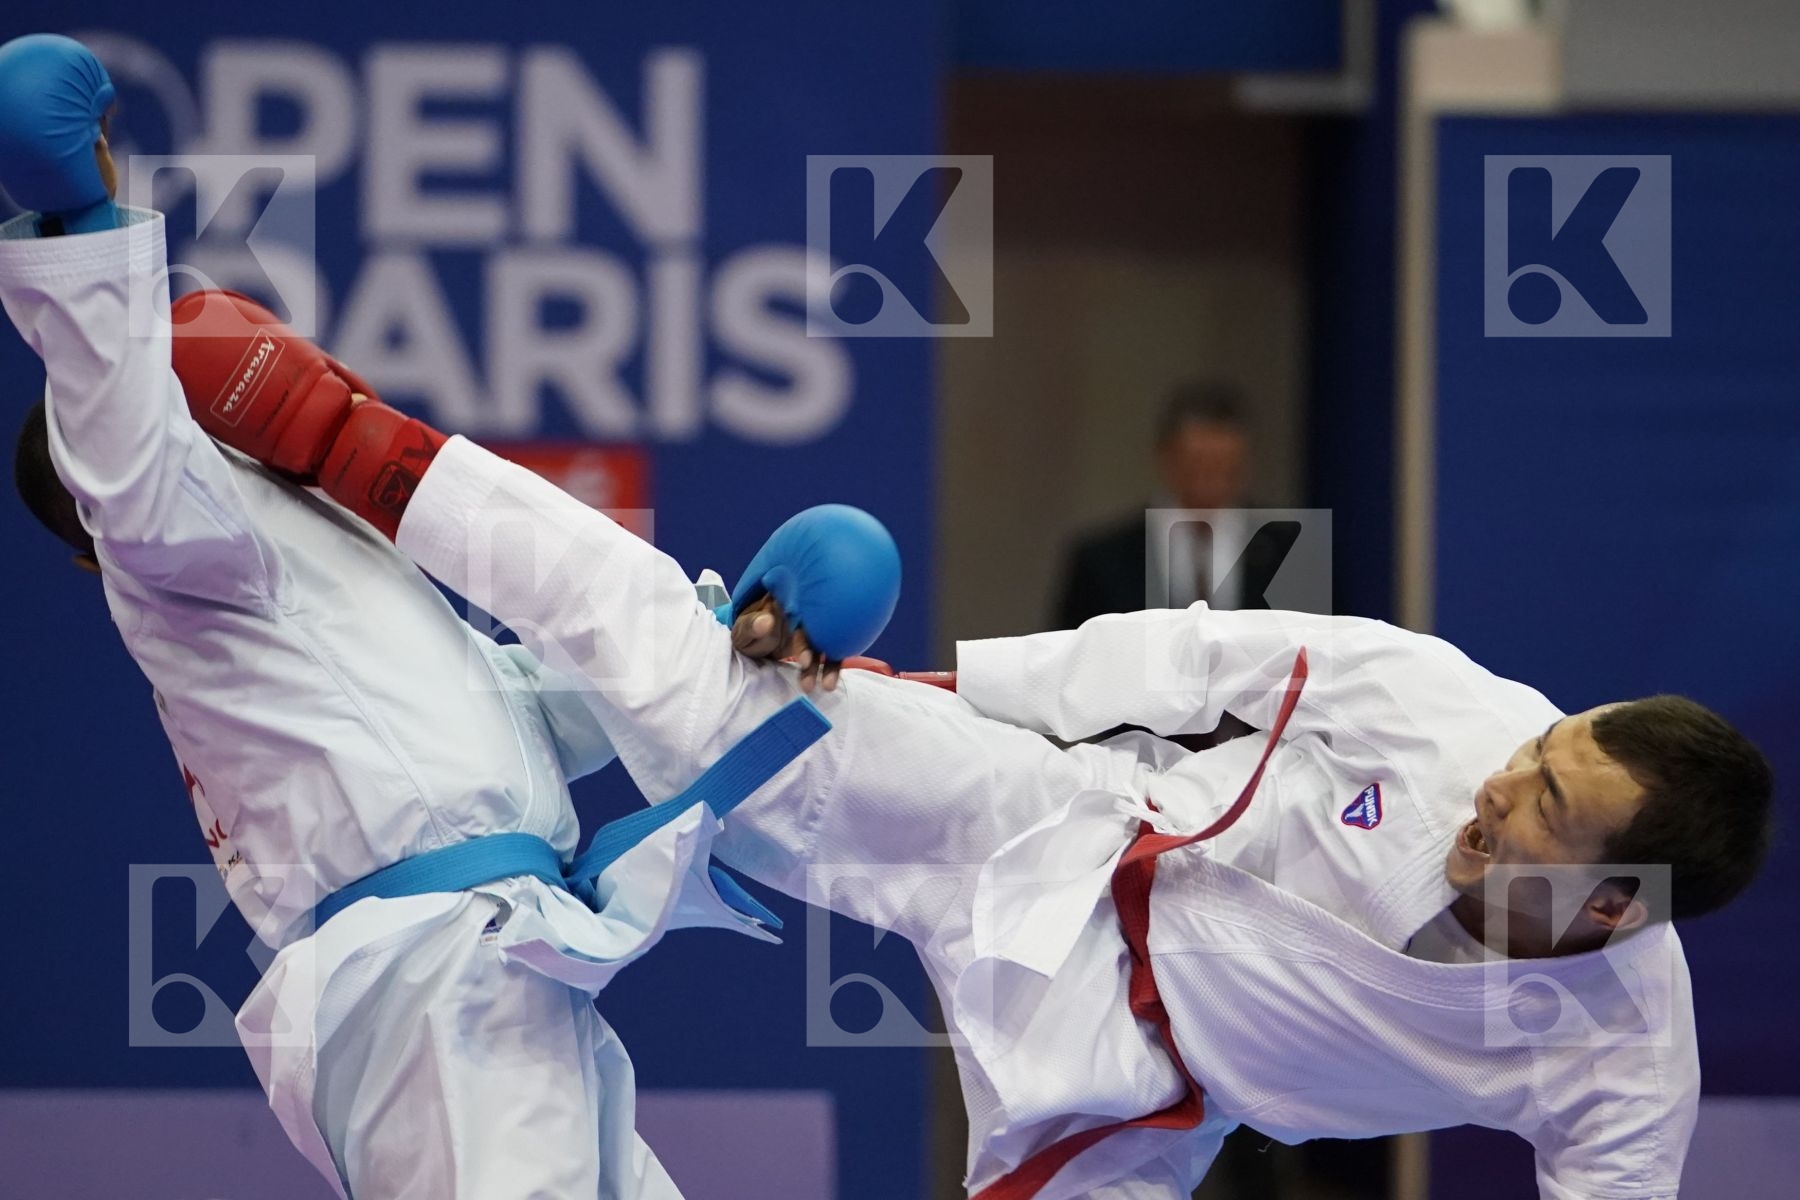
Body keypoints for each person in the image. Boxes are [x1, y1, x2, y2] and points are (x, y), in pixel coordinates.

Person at [182, 284, 1775, 1200]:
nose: (1507, 778)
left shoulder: (1625, 1057)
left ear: (1619, 903)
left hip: (1135, 1107)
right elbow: (1190, 651)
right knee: (703, 688)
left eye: (1550, 800)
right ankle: (342, 432)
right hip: (1071, 838)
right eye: (1544, 745)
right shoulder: (1449, 705)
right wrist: (936, 688)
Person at [0, 33, 853, 1200]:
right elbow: (122, 452)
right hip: (432, 975)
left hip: (490, 961)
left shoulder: (305, 573)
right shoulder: (183, 555)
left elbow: (531, 716)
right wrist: (84, 228)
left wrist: (720, 632)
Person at [1055, 382, 1282, 630]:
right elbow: (1073, 656)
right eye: (1197, 466)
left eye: (1225, 468)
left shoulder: (1287, 552)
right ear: (1167, 458)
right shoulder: (1103, 561)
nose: (1210, 484)